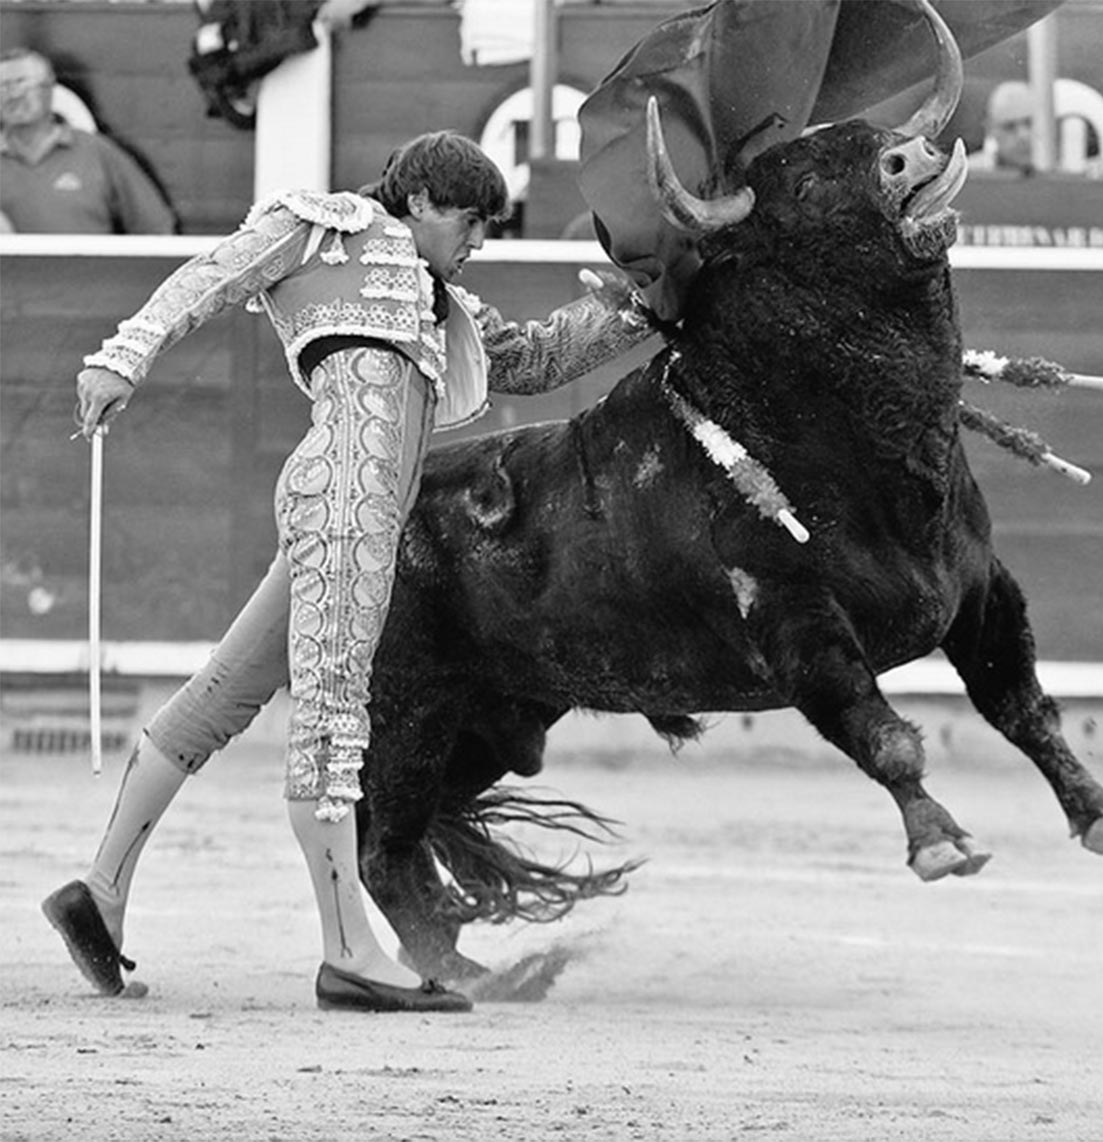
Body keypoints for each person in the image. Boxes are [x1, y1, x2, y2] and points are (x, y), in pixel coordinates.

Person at [42, 131, 651, 1012]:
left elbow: (534, 359)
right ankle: (348, 955)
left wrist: (636, 312)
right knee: (332, 725)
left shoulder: (442, 305)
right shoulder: (325, 229)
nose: (478, 241)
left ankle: (99, 891)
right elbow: (214, 274)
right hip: (348, 507)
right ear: (421, 201)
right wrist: (120, 357)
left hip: (356, 513)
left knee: (216, 701)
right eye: (471, 221)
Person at [0, 48, 177, 234]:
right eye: (3, 86)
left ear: (49, 88)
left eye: (21, 84)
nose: (13, 95)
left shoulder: (98, 153)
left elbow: (156, 227)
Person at [967, 80, 1036, 174]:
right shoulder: (972, 174)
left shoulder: (1059, 170)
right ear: (990, 129)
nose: (1023, 136)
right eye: (1009, 127)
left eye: (1029, 123)